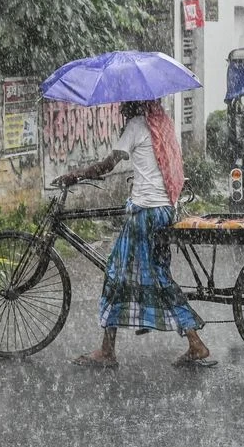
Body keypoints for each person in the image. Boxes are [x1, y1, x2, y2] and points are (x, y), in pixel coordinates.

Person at [53, 100, 215, 369]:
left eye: (124, 106)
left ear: (134, 105)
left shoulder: (137, 126)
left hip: (145, 214)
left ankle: (110, 351)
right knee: (153, 275)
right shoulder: (161, 125)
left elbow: (108, 164)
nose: (121, 110)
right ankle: (188, 341)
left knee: (118, 274)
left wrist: (76, 175)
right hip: (163, 211)